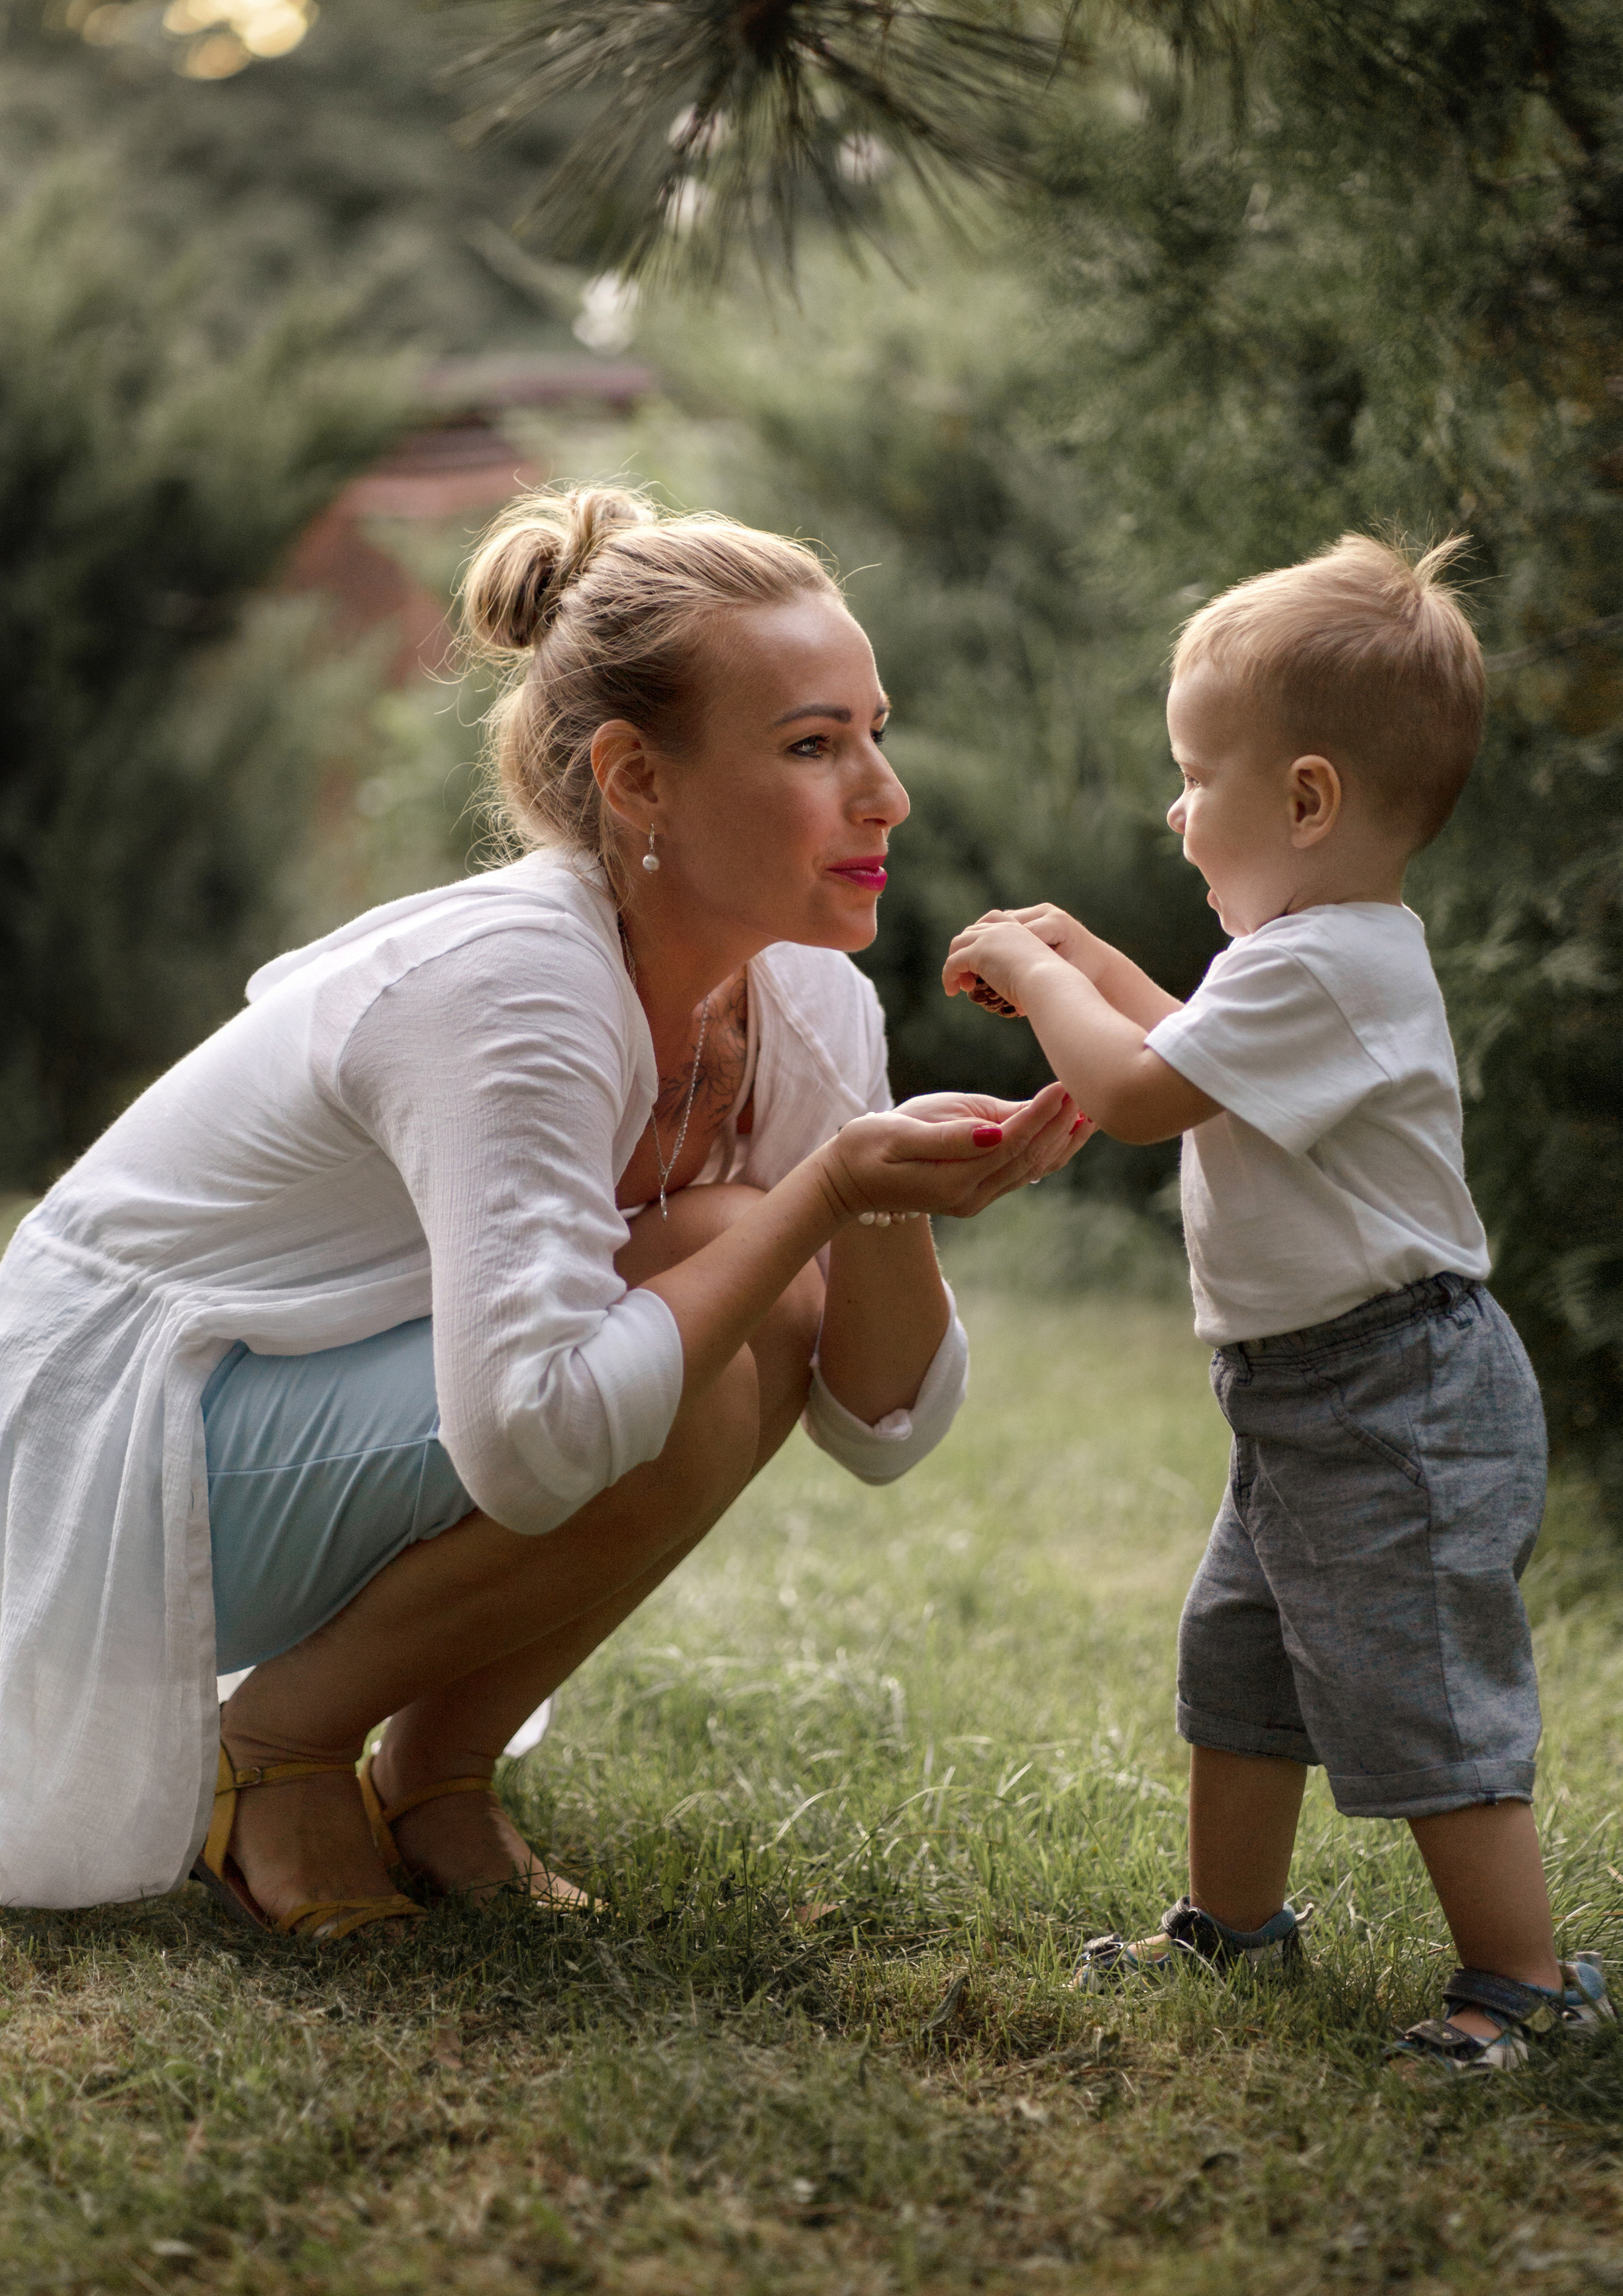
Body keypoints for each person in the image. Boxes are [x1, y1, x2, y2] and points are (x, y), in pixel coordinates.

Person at [0, 486, 1085, 1938]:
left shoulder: (799, 982)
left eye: (872, 732)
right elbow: (535, 1430)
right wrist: (823, 1187)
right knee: (696, 1306)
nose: (882, 792)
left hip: (279, 1433)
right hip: (92, 1467)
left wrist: (876, 1206)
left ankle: (434, 1771)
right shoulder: (514, 983)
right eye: (814, 745)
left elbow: (883, 1418)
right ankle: (271, 1748)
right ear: (635, 778)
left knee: (730, 1272)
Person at [942, 533, 1614, 2076]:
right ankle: (1230, 1925)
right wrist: (1084, 953)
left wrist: (1028, 975)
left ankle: (1524, 1977)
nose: (1174, 808)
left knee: (1414, 1683)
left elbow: (1128, 1089)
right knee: (1237, 1663)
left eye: (1194, 773)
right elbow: (1185, 1047)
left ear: (1305, 799)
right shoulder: (1306, 964)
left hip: (1390, 1394)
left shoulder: (1330, 965)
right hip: (1310, 1395)